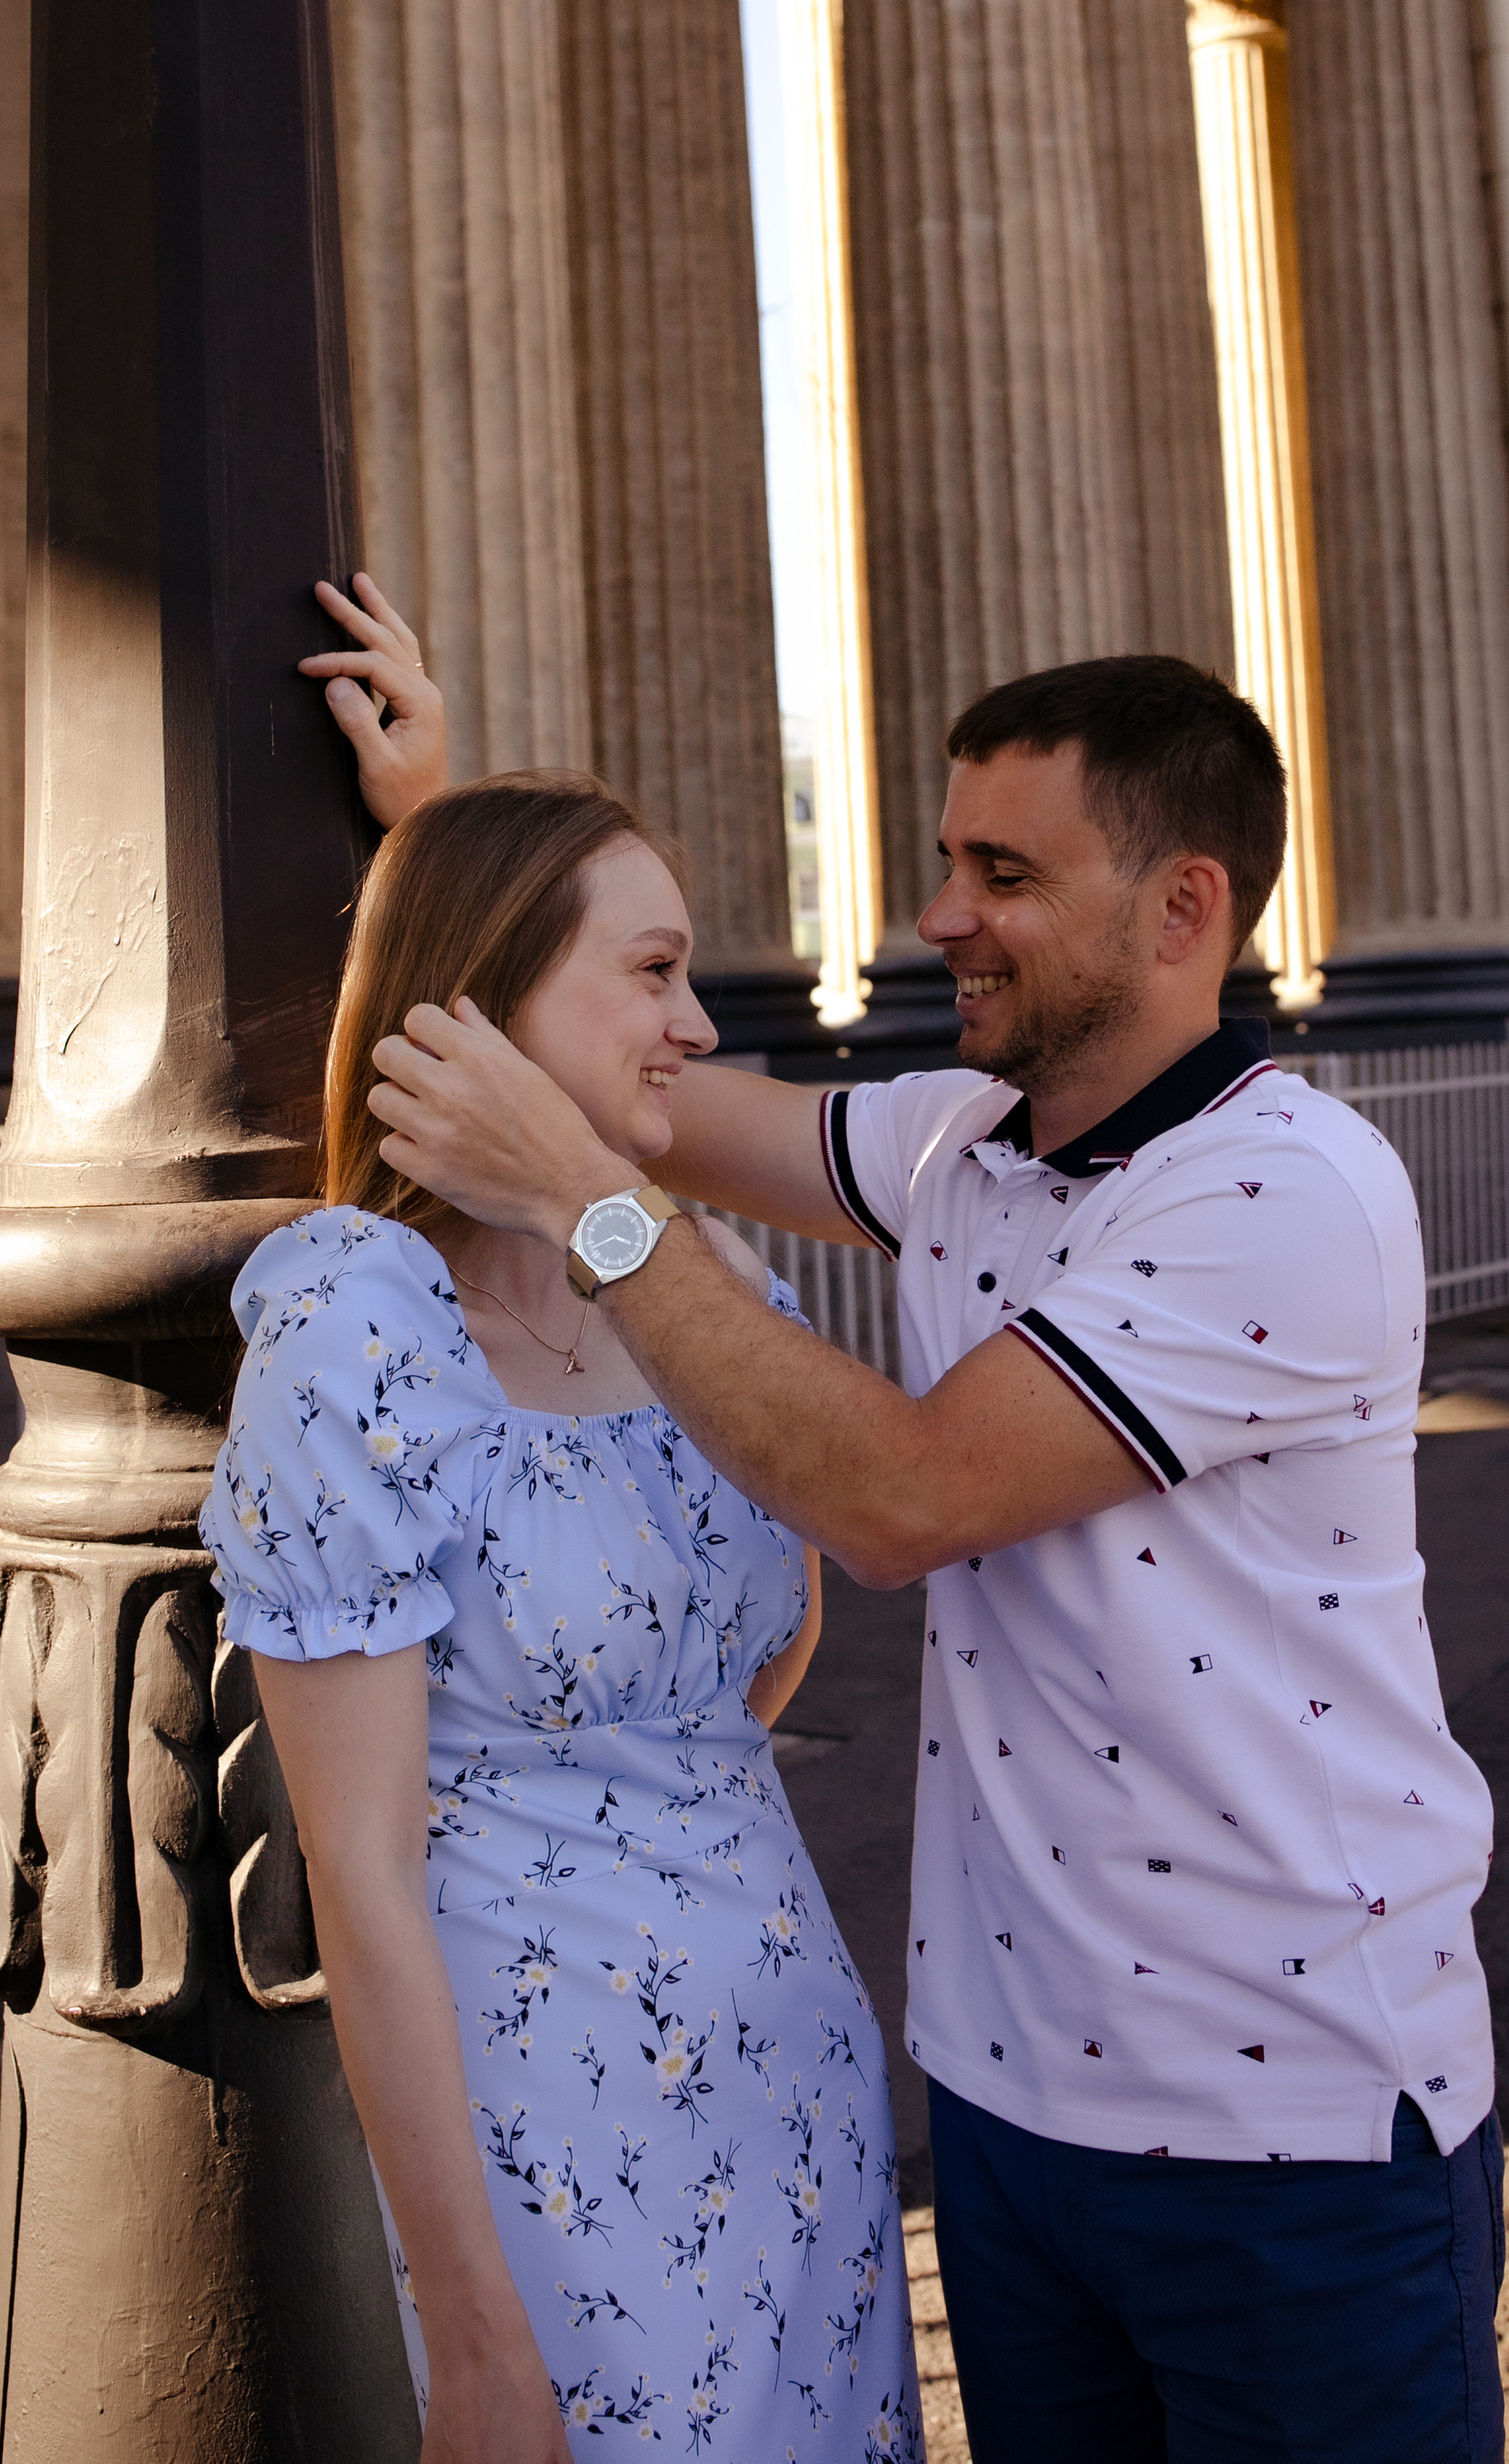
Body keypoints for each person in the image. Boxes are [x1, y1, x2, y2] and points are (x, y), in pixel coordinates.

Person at [312, 577, 1505, 2464]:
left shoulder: (1284, 1195)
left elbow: (896, 1500)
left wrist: (591, 1217)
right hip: (1015, 2115)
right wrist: (452, 853)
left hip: (1285, 2132)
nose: (939, 914)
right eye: (948, 859)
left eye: (1001, 874)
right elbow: (639, 1096)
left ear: (1180, 908)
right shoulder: (962, 1149)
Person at [203, 729, 924, 2461]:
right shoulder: (357, 1320)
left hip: (796, 2088)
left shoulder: (688, 1278)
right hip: (555, 2139)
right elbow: (358, 1876)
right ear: (485, 1004)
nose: (694, 1021)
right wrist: (472, 2336)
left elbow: (770, 1648)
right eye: (654, 972)